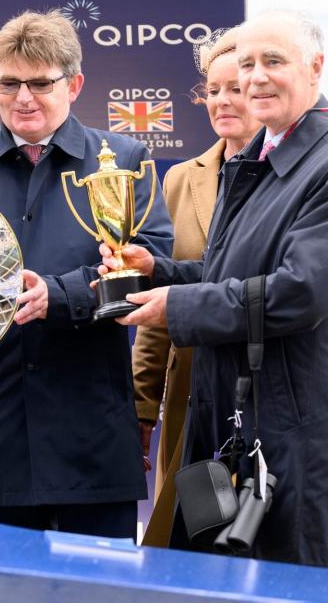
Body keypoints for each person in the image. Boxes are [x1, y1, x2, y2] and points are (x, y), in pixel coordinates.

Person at [0, 10, 172, 537]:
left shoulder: (125, 158)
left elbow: (148, 262)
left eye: (41, 83)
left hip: (92, 426)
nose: (24, 97)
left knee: (98, 589)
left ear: (75, 83)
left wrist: (58, 297)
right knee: (4, 587)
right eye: (9, 82)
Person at [106, 11, 328, 566]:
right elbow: (225, 272)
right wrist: (159, 271)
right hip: (226, 420)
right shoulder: (252, 159)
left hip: (291, 432)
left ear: (316, 68)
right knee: (212, 576)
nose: (255, 79)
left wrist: (176, 306)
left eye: (272, 62)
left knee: (285, 578)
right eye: (246, 64)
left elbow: (301, 291)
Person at [132, 27, 261, 546]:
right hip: (192, 399)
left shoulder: (302, 177)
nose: (223, 101)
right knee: (189, 543)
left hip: (270, 394)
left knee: (264, 543)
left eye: (236, 88)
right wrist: (142, 406)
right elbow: (156, 303)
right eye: (212, 90)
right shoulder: (182, 178)